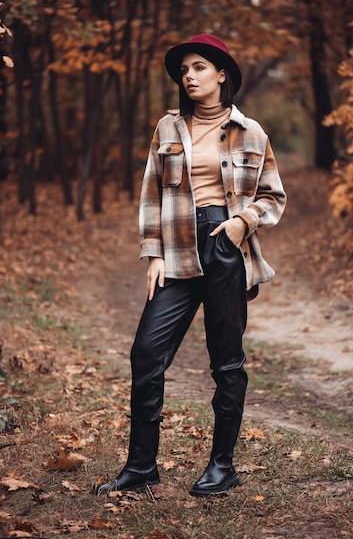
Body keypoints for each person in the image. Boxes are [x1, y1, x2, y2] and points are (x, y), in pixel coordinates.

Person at [96, 34, 286, 498]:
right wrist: (154, 254)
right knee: (146, 354)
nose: (189, 76)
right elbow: (150, 194)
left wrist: (244, 221)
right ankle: (141, 468)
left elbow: (273, 195)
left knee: (226, 363)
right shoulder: (167, 129)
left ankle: (222, 466)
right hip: (178, 249)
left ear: (222, 73)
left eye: (199, 67)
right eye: (184, 70)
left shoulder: (252, 132)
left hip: (226, 249)